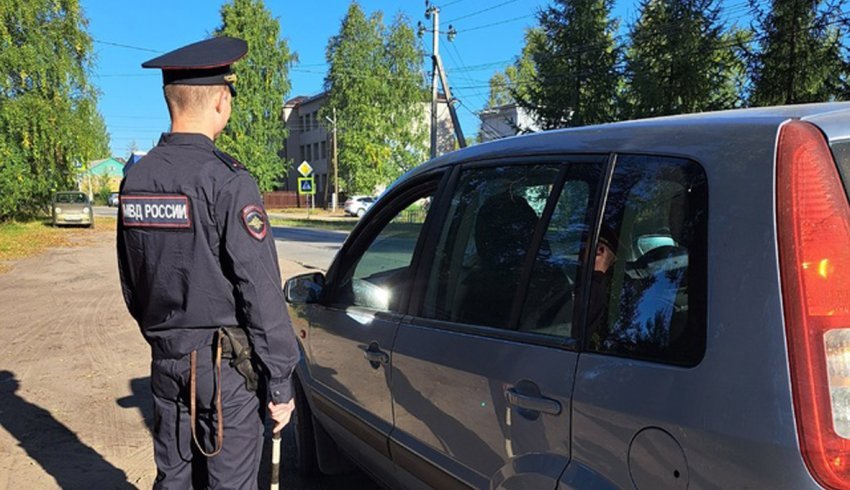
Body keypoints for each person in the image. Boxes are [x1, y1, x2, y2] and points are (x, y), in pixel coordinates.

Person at [116, 36, 299, 489]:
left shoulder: (136, 180)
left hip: (166, 363)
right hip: (224, 374)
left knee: (174, 481)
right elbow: (259, 290)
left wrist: (169, 337)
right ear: (221, 99)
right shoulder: (227, 181)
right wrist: (280, 381)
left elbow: (132, 283)